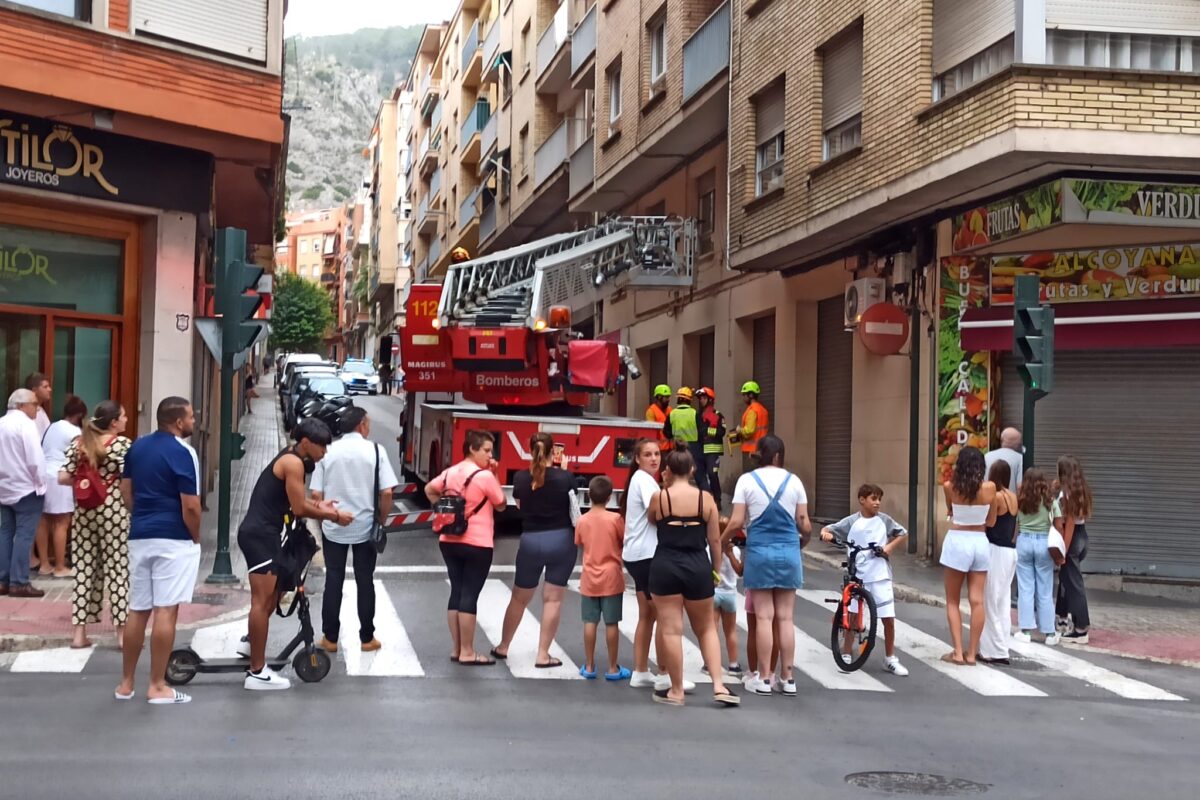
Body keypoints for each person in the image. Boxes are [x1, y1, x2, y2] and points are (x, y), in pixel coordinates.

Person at [238, 417, 352, 691]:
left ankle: (249, 643)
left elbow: (294, 499)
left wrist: (319, 504)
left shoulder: (292, 459)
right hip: (261, 536)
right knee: (262, 601)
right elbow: (299, 508)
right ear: (305, 443)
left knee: (272, 597)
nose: (324, 453)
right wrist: (333, 515)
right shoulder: (293, 463)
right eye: (321, 447)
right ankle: (256, 672)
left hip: (266, 535)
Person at [115, 397, 203, 704]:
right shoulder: (185, 452)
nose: (194, 421)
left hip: (141, 534)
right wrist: (195, 536)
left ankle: (126, 684)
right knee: (166, 610)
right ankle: (157, 685)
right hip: (173, 538)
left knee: (138, 609)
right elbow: (190, 505)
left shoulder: (136, 447)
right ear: (178, 422)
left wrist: (140, 515)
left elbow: (126, 491)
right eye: (191, 417)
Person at [647, 449, 739, 707]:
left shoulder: (660, 498)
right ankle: (719, 685)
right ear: (691, 470)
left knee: (671, 629)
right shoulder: (706, 499)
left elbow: (652, 521)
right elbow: (714, 541)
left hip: (665, 563)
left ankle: (676, 691)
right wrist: (716, 571)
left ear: (668, 470)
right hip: (698, 564)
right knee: (707, 628)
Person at [721, 435, 811, 697]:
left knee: (763, 617)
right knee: (785, 618)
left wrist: (723, 539)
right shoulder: (794, 481)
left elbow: (737, 521)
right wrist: (802, 541)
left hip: (759, 552)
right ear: (779, 455)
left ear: (759, 454)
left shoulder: (746, 481)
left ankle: (764, 677)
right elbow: (803, 522)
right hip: (789, 552)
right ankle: (788, 677)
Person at [310, 406, 398, 654]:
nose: (369, 427)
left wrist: (325, 519)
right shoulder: (375, 451)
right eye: (367, 423)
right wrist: (380, 519)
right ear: (361, 425)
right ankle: (367, 637)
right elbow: (387, 492)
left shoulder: (328, 452)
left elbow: (316, 494)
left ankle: (330, 637)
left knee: (334, 579)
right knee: (364, 581)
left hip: (333, 524)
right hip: (365, 527)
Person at [491, 432, 578, 668]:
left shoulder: (520, 478)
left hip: (531, 541)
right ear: (554, 452)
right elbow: (573, 507)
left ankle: (504, 646)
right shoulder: (566, 477)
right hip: (561, 540)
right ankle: (542, 654)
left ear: (530, 450)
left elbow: (520, 506)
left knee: (519, 598)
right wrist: (564, 470)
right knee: (552, 600)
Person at [425, 430, 507, 665]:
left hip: (449, 540)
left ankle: (457, 648)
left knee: (457, 593)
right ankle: (468, 651)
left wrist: (443, 508)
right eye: (487, 450)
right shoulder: (484, 476)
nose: (490, 456)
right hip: (478, 542)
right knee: (470, 595)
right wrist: (496, 474)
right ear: (472, 449)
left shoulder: (451, 472)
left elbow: (429, 489)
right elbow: (500, 504)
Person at [59, 400, 131, 650]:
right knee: (118, 569)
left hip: (84, 510)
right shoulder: (121, 445)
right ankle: (122, 635)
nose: (126, 420)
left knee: (84, 568)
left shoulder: (79, 444)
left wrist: (89, 481)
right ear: (113, 423)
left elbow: (63, 477)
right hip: (113, 510)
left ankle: (79, 634)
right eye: (123, 416)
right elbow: (128, 478)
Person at [820, 484, 910, 676]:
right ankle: (846, 652)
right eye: (873, 498)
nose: (877, 503)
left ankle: (890, 658)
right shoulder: (851, 521)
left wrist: (889, 548)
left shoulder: (884, 520)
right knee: (853, 616)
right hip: (858, 574)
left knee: (888, 618)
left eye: (879, 499)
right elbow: (830, 529)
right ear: (862, 500)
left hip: (880, 575)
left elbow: (902, 533)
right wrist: (826, 534)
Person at [939, 446, 997, 666]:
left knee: (953, 600)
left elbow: (950, 511)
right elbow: (991, 521)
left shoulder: (949, 487)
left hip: (958, 539)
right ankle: (972, 653)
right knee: (977, 600)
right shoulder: (990, 488)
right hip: (980, 541)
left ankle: (957, 652)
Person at [574, 476, 629, 681]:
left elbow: (579, 541)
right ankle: (613, 668)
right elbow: (623, 540)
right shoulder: (615, 520)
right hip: (611, 575)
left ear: (589, 495)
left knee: (590, 621)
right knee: (612, 623)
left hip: (590, 575)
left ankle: (589, 666)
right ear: (609, 498)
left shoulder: (582, 520)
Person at [618, 438, 663, 689]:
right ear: (637, 459)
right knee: (662, 614)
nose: (654, 458)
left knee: (648, 614)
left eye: (657, 454)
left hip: (637, 554)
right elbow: (655, 511)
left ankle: (641, 670)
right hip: (647, 554)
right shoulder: (645, 480)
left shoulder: (640, 479)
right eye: (647, 454)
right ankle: (666, 673)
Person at [0, 389, 47, 598]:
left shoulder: (1, 423)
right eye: (34, 403)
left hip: (4, 487)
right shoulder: (26, 425)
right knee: (24, 536)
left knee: (5, 533)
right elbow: (35, 459)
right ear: (21, 405)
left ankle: (3, 580)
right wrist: (41, 484)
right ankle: (19, 582)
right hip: (26, 488)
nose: (37, 408)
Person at [38, 395, 87, 578]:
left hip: (44, 475)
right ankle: (60, 566)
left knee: (43, 520)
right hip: (60, 477)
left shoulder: (53, 426)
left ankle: (44, 564)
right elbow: (80, 456)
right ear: (80, 414)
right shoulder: (74, 432)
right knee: (61, 522)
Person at [1012, 467, 1058, 648]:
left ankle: (1025, 631)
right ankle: (1050, 633)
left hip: (1024, 541)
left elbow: (1015, 526)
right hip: (1044, 543)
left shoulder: (1020, 501)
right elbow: (1058, 523)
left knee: (1025, 588)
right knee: (1045, 590)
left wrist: (1014, 540)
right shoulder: (1050, 502)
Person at [979, 460, 1019, 663]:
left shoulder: (995, 497)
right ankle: (1001, 645)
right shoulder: (1013, 496)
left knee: (990, 600)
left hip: (995, 549)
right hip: (1011, 551)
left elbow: (990, 522)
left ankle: (995, 650)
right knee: (1002, 601)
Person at [1054, 455, 1094, 645]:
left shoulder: (1066, 494)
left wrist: (1063, 551)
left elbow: (1068, 524)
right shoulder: (1081, 490)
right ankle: (1062, 617)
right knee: (1067, 580)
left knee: (1074, 584)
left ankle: (1081, 628)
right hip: (1083, 535)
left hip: (1072, 537)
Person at [707, 529, 743, 678]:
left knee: (712, 630)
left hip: (714, 593)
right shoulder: (735, 550)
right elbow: (739, 571)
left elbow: (709, 569)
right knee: (731, 631)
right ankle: (733, 665)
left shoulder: (709, 548)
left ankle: (709, 664)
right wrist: (729, 554)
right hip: (730, 594)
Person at [663, 387, 707, 493]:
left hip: (677, 447)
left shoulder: (672, 414)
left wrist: (673, 437)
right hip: (694, 447)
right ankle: (706, 498)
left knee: (676, 474)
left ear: (678, 399)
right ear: (689, 400)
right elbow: (702, 432)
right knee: (700, 475)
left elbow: (666, 432)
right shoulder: (695, 414)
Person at [729, 381, 769, 476]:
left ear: (750, 395)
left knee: (750, 478)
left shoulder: (752, 410)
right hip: (762, 450)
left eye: (744, 395)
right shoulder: (763, 410)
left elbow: (749, 430)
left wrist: (739, 430)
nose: (743, 398)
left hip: (751, 452)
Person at [696, 387, 726, 510]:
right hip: (700, 450)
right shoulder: (698, 415)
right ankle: (706, 500)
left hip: (713, 450)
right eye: (700, 398)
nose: (701, 400)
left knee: (712, 474)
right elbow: (699, 431)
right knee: (700, 476)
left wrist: (707, 430)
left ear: (710, 399)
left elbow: (721, 432)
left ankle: (717, 499)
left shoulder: (718, 415)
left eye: (703, 398)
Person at [985, 428, 1024, 493]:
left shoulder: (987, 456)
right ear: (1018, 443)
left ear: (1001, 440)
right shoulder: (1020, 458)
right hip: (1008, 500)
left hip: (988, 499)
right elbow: (1019, 486)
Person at [644, 384, 674, 453]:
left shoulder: (670, 410)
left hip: (671, 448)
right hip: (659, 449)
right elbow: (650, 432)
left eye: (669, 397)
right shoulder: (651, 411)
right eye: (666, 397)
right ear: (659, 397)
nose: (668, 399)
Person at [24, 372, 51, 439]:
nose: (50, 389)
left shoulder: (40, 410)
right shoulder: (28, 412)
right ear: (34, 390)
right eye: (45, 387)